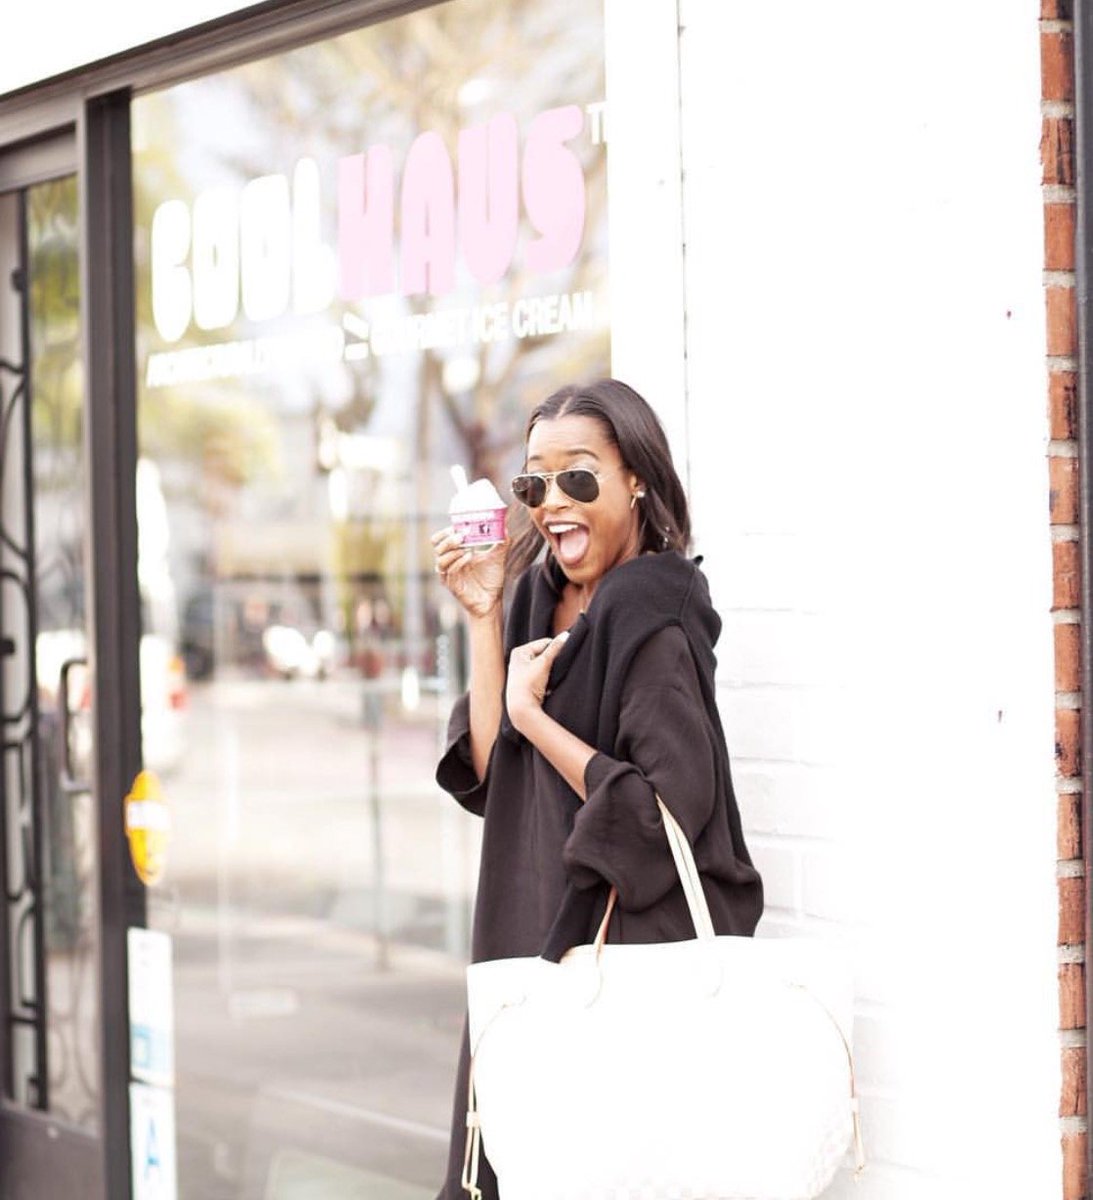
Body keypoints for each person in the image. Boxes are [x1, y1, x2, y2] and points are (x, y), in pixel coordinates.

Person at [431, 378, 764, 1199]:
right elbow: (487, 769)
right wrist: (483, 616)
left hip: (616, 964)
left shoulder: (654, 617)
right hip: (525, 937)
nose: (553, 504)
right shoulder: (540, 595)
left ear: (636, 479)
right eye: (533, 484)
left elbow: (661, 819)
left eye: (578, 477)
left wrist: (532, 717)